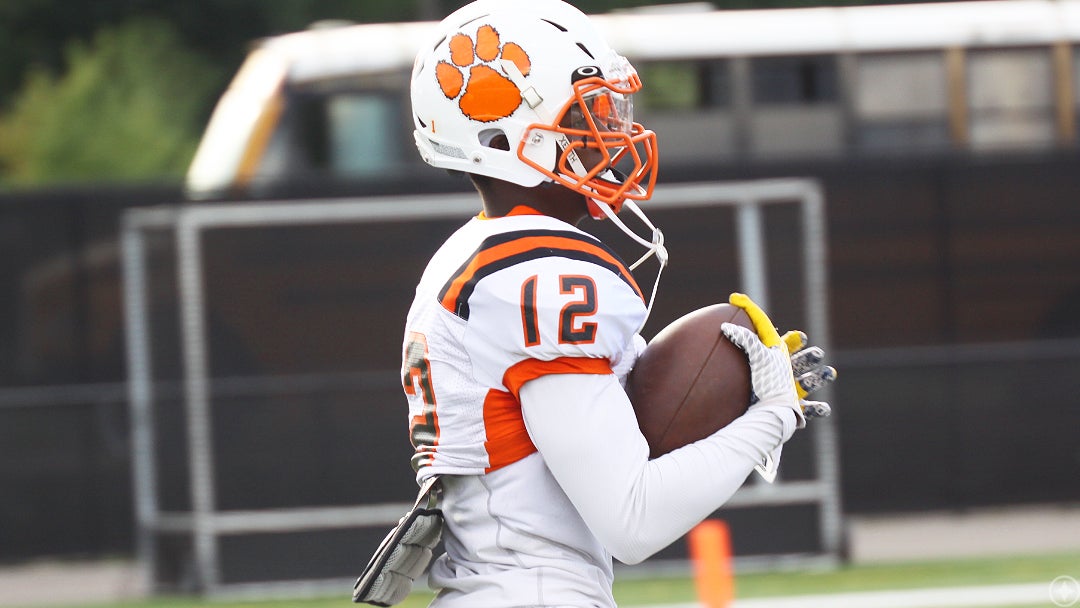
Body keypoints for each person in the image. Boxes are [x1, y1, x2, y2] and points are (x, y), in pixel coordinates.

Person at [356, 1, 834, 606]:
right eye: (590, 112)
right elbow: (632, 519)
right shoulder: (541, 270)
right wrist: (772, 418)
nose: (611, 132)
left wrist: (740, 409)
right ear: (505, 137)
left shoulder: (474, 257)